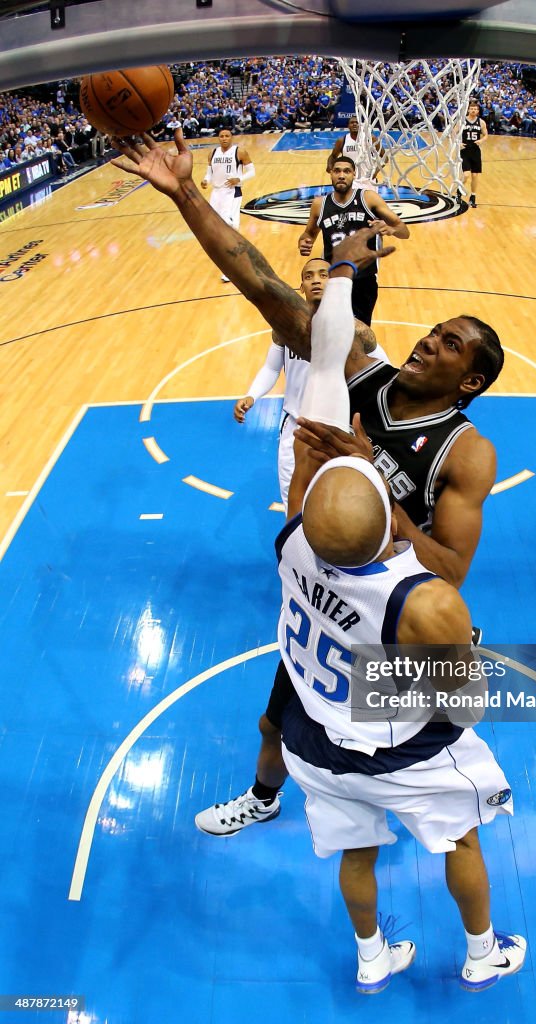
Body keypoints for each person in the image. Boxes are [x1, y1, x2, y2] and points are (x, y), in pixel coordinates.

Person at [110, 133, 503, 833]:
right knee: (273, 724)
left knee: (400, 764)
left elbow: (449, 571)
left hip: (392, 621)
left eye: (447, 344)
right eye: (434, 330)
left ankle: (444, 831)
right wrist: (185, 194)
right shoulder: (363, 374)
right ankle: (263, 800)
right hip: (323, 600)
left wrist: (374, 485)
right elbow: (262, 284)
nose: (426, 341)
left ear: (468, 381)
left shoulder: (466, 453)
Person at [273, 243, 527, 994]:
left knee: (357, 854)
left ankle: (371, 956)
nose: (427, 340)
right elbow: (462, 697)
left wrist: (341, 272)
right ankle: (481, 954)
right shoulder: (422, 603)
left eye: (449, 342)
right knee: (461, 837)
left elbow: (311, 470)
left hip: (315, 731)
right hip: (395, 720)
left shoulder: (291, 544)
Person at [233, 256, 387, 508]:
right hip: (295, 427)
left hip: (338, 429)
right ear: (301, 287)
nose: (316, 280)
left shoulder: (356, 330)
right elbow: (272, 368)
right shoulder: (284, 328)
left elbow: (383, 371)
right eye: (309, 276)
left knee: (337, 505)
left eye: (324, 275)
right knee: (293, 504)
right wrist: (252, 395)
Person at [297, 155, 410, 326]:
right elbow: (308, 234)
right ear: (331, 174)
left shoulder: (368, 198)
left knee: (361, 334)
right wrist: (304, 242)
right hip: (332, 280)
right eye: (337, 171)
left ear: (354, 175)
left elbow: (404, 231)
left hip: (363, 279)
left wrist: (392, 229)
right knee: (329, 330)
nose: (341, 175)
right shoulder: (320, 205)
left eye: (347, 171)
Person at [200, 128, 254, 281]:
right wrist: (206, 181)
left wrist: (239, 179)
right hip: (216, 194)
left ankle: (235, 266)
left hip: (232, 193)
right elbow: (209, 173)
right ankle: (234, 263)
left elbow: (252, 171)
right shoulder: (213, 153)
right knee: (217, 230)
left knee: (230, 228)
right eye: (221, 136)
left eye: (227, 136)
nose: (224, 138)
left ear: (232, 137)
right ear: (218, 138)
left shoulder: (239, 152)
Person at [326, 114, 385, 190]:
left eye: (357, 122)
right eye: (352, 122)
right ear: (348, 126)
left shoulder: (371, 139)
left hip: (368, 180)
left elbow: (384, 158)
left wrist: (376, 171)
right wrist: (330, 167)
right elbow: (333, 156)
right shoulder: (342, 141)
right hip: (350, 180)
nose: (354, 124)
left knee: (369, 202)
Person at [461, 99, 488, 209]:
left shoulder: (481, 122)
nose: (473, 110)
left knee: (475, 175)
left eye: (475, 109)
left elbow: (486, 135)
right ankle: (459, 189)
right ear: (468, 110)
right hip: (465, 149)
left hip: (475, 150)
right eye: (471, 109)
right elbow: (453, 132)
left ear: (478, 111)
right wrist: (458, 143)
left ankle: (473, 196)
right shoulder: (462, 121)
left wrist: (482, 141)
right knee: (466, 175)